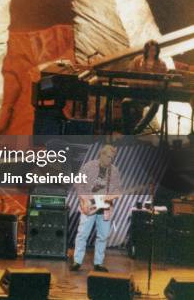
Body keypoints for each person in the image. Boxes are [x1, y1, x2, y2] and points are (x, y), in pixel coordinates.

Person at [71, 144, 122, 272]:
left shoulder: (114, 170)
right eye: (108, 157)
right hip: (89, 204)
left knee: (103, 236)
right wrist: (84, 200)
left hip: (105, 207)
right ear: (102, 155)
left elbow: (117, 189)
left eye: (112, 157)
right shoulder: (89, 166)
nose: (110, 160)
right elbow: (78, 183)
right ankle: (77, 261)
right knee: (82, 234)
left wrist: (113, 196)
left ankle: (98, 263)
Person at [121, 40, 168, 135]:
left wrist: (155, 86)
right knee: (125, 102)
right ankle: (127, 133)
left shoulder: (161, 64)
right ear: (146, 50)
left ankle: (136, 130)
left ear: (157, 51)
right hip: (139, 93)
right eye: (150, 50)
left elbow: (163, 82)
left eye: (154, 50)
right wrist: (136, 86)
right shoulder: (137, 61)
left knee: (155, 105)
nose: (152, 52)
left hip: (153, 94)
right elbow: (131, 77)